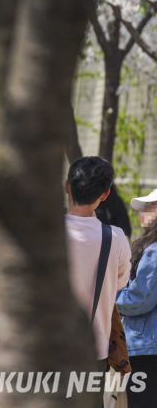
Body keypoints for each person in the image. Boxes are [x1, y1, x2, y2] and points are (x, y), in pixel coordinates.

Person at [64, 156, 130, 405]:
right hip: (94, 349)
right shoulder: (115, 238)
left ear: (67, 185)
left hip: (48, 344)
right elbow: (120, 283)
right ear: (105, 194)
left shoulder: (47, 235)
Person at [116, 190, 157, 407]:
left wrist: (109, 299)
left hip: (146, 347)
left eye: (150, 206)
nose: (143, 211)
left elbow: (139, 299)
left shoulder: (154, 251)